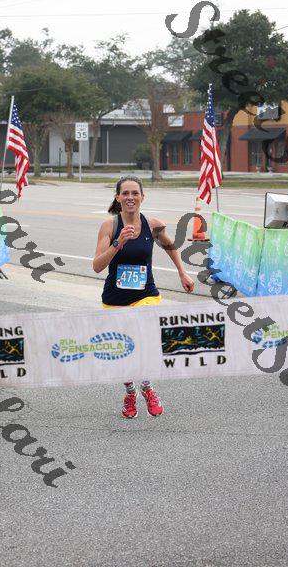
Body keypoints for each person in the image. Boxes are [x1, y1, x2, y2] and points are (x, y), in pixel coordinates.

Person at [93, 176, 194, 419]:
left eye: (135, 193)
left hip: (146, 295)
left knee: (143, 337)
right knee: (122, 350)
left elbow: (170, 246)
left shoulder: (153, 225)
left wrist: (182, 272)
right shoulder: (109, 226)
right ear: (118, 197)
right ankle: (131, 392)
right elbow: (97, 266)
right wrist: (118, 243)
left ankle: (147, 386)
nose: (130, 197)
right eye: (125, 193)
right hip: (115, 298)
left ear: (142, 197)